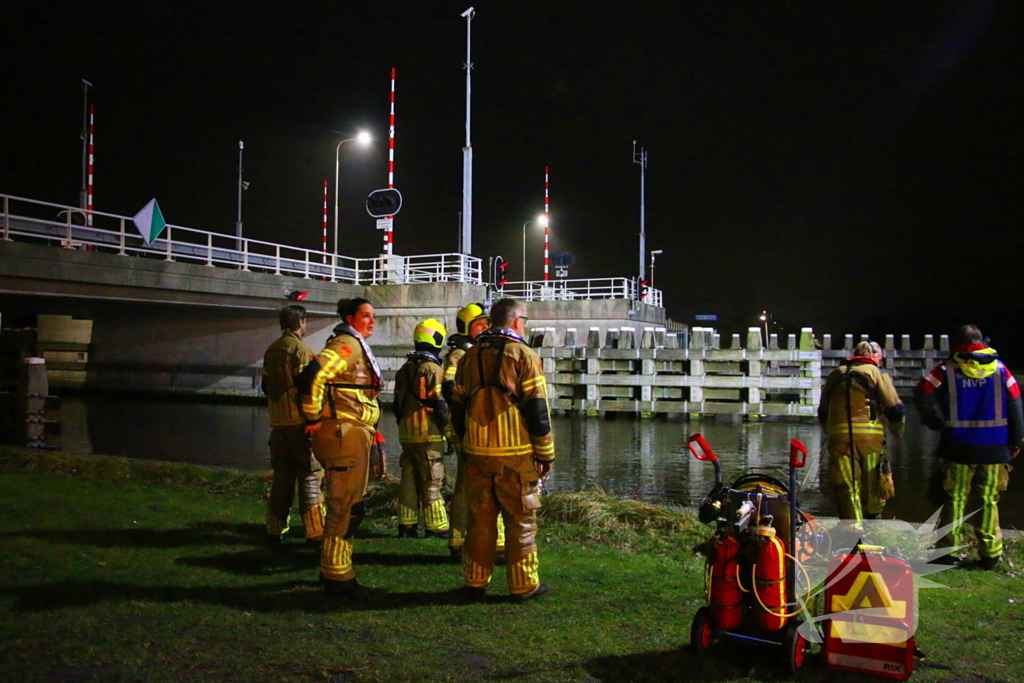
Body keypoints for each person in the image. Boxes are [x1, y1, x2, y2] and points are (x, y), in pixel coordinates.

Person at [451, 298, 554, 602]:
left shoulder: (468, 357)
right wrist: (545, 453)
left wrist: (464, 443)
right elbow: (537, 410)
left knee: (480, 520)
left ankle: (474, 582)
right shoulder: (523, 355)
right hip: (515, 453)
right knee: (521, 520)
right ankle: (523, 585)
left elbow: (456, 407)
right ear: (517, 321)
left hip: (476, 453)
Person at [914, 324, 1022, 569]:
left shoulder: (945, 371)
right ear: (982, 341)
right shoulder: (1002, 371)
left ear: (955, 345)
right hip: (995, 449)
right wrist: (1015, 442)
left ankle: (948, 552)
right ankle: (990, 554)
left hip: (957, 447)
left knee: (955, 499)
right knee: (988, 500)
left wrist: (934, 422)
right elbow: (1016, 405)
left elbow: (921, 393)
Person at [298, 297, 383, 599]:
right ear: (350, 318)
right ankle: (337, 574)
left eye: (373, 316)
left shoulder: (353, 343)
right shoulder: (348, 344)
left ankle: (334, 569)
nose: (371, 321)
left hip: (350, 433)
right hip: (344, 434)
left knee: (346, 503)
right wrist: (311, 418)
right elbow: (314, 375)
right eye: (365, 316)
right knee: (345, 506)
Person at [442, 303, 506, 561]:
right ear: (467, 328)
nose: (487, 327)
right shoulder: (460, 355)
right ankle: (490, 544)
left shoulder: (478, 352)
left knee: (470, 484)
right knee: (478, 485)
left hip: (475, 426)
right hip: (468, 427)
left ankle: (461, 541)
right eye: (481, 323)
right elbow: (449, 387)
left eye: (489, 323)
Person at [818, 340, 905, 527]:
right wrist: (897, 428)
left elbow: (823, 410)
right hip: (870, 440)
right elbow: (895, 407)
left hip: (838, 440)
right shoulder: (877, 373)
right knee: (874, 484)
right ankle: (873, 525)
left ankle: (853, 536)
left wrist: (830, 433)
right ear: (874, 356)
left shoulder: (836, 374)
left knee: (847, 487)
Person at [261, 304, 325, 544]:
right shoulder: (301, 350)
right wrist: (313, 420)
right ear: (301, 322)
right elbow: (307, 388)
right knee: (311, 476)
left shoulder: (271, 350)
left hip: (277, 425)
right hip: (299, 424)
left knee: (281, 480)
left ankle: (275, 530)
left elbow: (266, 386)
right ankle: (316, 532)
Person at [393, 318, 451, 539]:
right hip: (428, 434)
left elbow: (398, 404)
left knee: (408, 480)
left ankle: (406, 525)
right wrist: (449, 433)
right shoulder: (432, 369)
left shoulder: (404, 368)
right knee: (432, 480)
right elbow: (440, 403)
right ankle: (436, 527)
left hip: (406, 435)